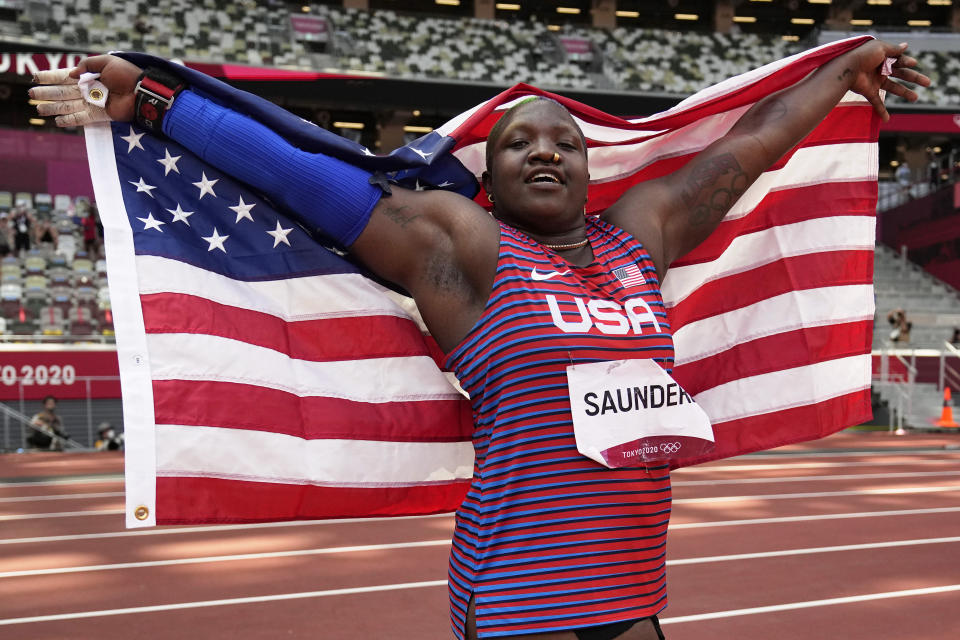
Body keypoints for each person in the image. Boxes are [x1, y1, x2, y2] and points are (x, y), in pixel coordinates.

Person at [31, 39, 927, 640]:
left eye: (564, 142)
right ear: (489, 177)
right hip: (518, 595)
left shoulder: (640, 234)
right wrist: (154, 100)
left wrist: (847, 67)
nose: (545, 152)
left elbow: (752, 146)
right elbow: (307, 180)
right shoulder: (465, 249)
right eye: (518, 143)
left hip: (632, 593)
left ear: (587, 166)